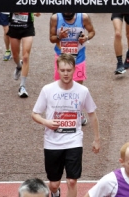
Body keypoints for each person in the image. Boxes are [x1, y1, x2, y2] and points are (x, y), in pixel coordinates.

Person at [32, 53, 101, 197]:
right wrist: (47, 122)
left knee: (72, 181)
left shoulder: (83, 91)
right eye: (62, 70)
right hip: (52, 143)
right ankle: (55, 192)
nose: (65, 73)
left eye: (69, 70)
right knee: (54, 183)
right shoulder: (47, 90)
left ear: (74, 69)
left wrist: (97, 139)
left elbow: (92, 114)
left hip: (73, 141)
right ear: (57, 69)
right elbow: (35, 114)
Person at [49, 13, 95, 125]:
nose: (67, 14)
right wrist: (60, 37)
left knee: (77, 88)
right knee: (61, 86)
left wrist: (86, 37)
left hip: (78, 57)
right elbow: (51, 38)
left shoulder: (83, 17)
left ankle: (78, 112)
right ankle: (60, 113)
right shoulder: (55, 18)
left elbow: (92, 31)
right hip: (62, 56)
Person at [8, 12, 40, 98]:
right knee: (15, 55)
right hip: (14, 27)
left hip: (27, 27)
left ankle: (22, 86)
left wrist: (36, 11)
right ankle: (19, 66)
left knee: (25, 57)